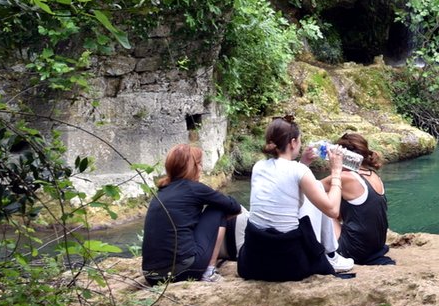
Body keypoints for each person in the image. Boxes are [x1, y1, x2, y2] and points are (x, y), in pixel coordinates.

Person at [237, 116, 354, 281]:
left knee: (310, 192)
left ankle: (331, 254)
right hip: (288, 263)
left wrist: (303, 162)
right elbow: (333, 210)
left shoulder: (258, 166)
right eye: (299, 140)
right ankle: (331, 254)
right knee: (319, 188)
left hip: (253, 261)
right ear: (293, 142)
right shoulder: (299, 171)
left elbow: (285, 184)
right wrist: (336, 171)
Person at [141, 144, 241, 285]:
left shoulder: (161, 192)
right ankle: (209, 271)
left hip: (151, 276)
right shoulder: (194, 188)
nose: (201, 168)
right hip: (184, 270)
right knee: (217, 209)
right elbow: (234, 207)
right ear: (192, 167)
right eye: (199, 164)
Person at [334, 132, 394, 266]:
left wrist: (334, 170)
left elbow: (309, 188)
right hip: (376, 247)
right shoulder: (373, 175)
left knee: (318, 203)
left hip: (354, 251)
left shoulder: (346, 177)